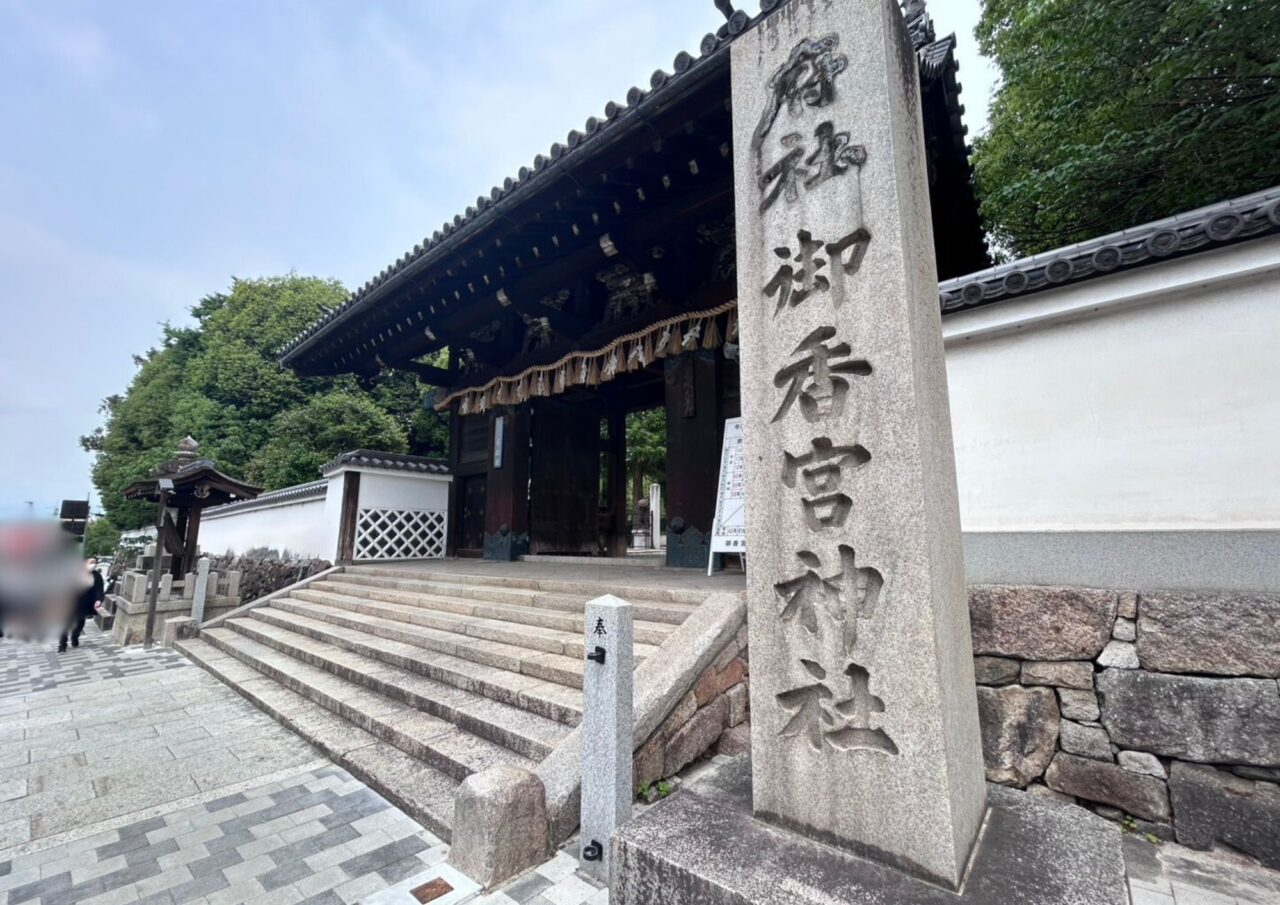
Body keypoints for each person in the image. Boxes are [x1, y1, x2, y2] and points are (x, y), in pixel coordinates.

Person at [59, 557, 104, 652]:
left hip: (85, 603)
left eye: (95, 563)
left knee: (80, 623)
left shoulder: (96, 576)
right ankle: (62, 645)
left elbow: (99, 589)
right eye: (91, 562)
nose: (93, 564)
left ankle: (75, 636)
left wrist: (98, 600)